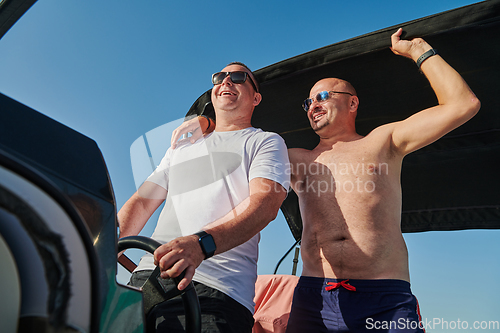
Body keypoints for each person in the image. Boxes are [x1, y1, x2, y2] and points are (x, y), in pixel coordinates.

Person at [174, 29, 480, 332]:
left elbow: (462, 105)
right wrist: (207, 121)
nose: (313, 106)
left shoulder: (384, 142)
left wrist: (417, 51)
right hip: (315, 300)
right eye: (308, 103)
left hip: (384, 297)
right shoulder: (292, 158)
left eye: (322, 96)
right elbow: (237, 146)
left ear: (352, 103)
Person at [118, 62, 290, 333]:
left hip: (215, 291)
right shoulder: (181, 145)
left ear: (256, 97)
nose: (226, 81)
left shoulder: (265, 142)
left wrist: (201, 245)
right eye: (219, 77)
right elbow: (143, 200)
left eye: (238, 77)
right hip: (144, 281)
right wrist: (106, 244)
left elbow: (265, 204)